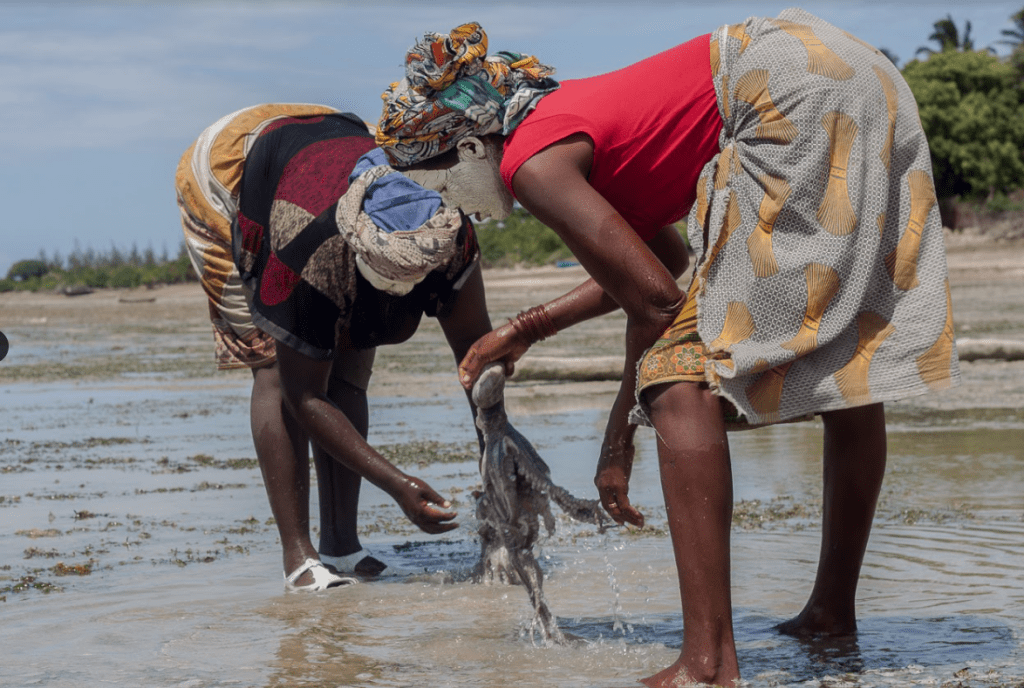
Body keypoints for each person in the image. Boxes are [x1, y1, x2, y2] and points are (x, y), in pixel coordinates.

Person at [376, 12, 961, 686]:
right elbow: (660, 263)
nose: (456, 207)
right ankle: (830, 616)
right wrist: (528, 328)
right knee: (840, 358)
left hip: (784, 88)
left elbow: (655, 303)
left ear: (473, 150)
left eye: (442, 184)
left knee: (676, 379)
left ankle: (707, 665)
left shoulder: (528, 163)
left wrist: (619, 437)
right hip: (850, 68)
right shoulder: (559, 129)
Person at [175, 103, 504, 591]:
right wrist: (398, 485)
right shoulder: (309, 251)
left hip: (327, 141)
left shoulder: (447, 233)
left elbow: (479, 365)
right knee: (273, 364)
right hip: (227, 172)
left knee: (351, 364)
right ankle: (299, 557)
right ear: (356, 256)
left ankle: (342, 547)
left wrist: (503, 484)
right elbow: (303, 395)